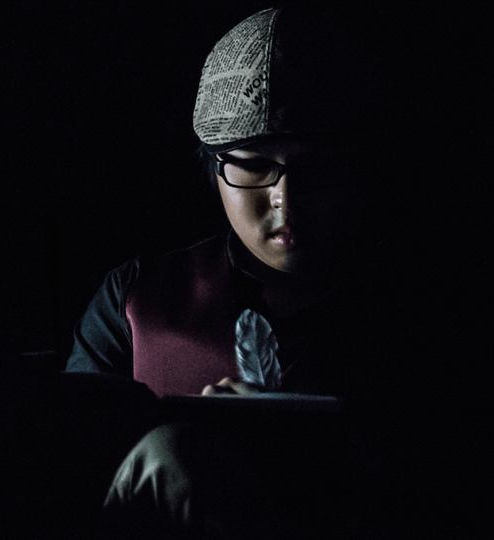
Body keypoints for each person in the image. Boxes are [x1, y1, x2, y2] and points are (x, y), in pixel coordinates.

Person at [64, 4, 483, 539]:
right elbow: (71, 472)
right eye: (254, 165)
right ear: (213, 169)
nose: (285, 199)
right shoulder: (135, 301)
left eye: (318, 168)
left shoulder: (436, 318)